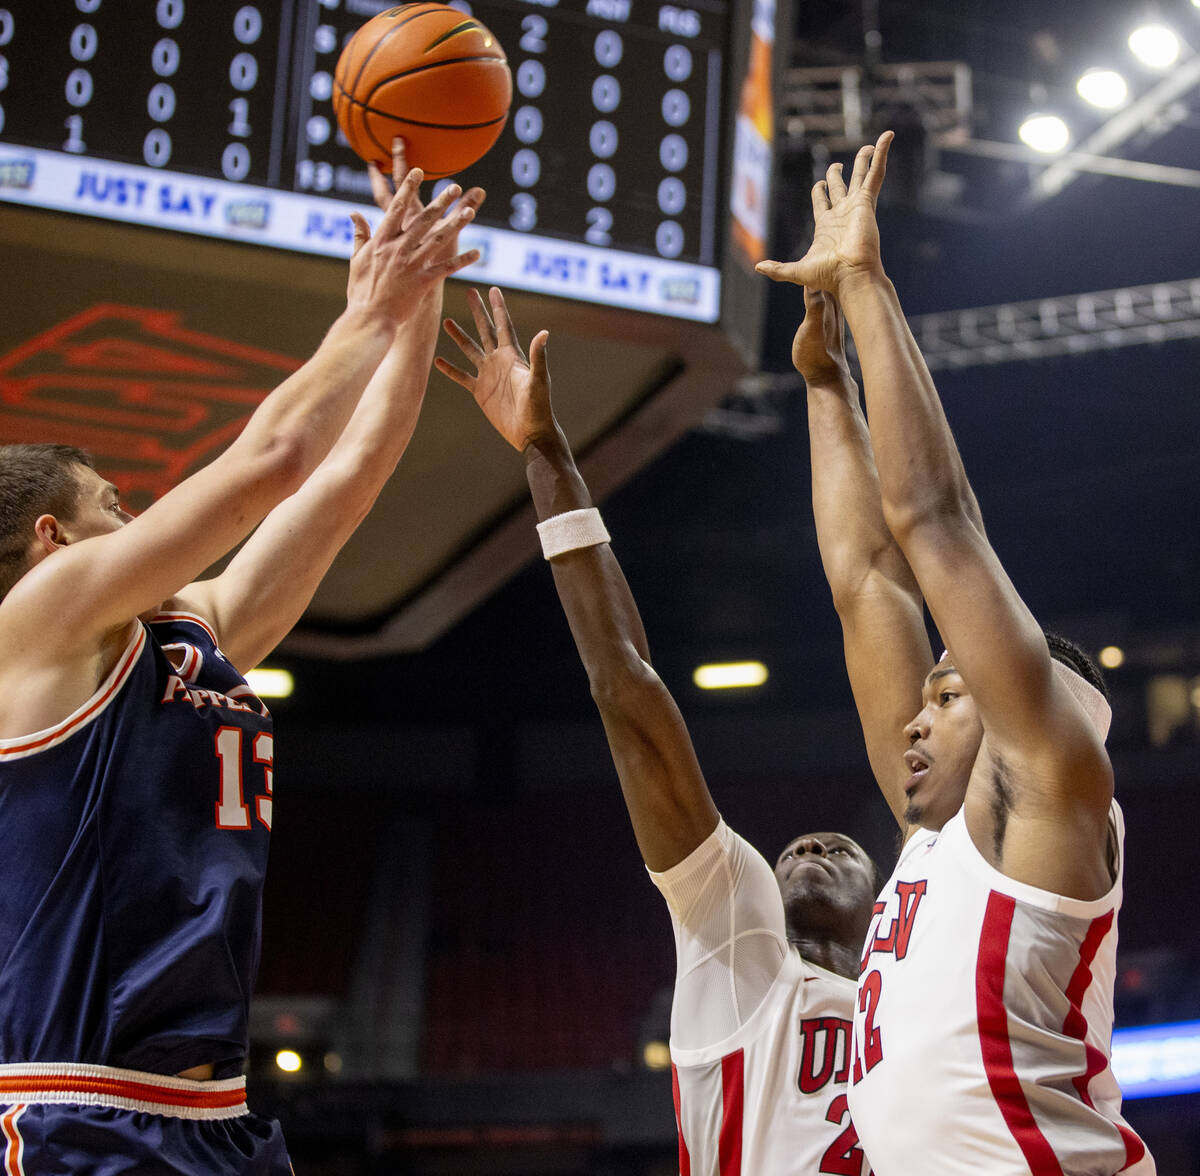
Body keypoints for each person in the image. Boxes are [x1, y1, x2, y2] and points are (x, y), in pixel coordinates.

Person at [0, 149, 483, 1173]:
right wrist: (367, 309)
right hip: (72, 1107)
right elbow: (274, 461)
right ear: (51, 537)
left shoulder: (193, 629)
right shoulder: (37, 621)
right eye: (112, 508)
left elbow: (347, 479)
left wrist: (417, 298)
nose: (133, 519)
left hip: (213, 1111)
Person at [759, 133, 1154, 1173]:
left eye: (949, 690)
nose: (916, 721)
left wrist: (868, 286)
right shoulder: (937, 838)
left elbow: (934, 522)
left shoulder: (1056, 789)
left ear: (1031, 708)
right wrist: (824, 388)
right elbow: (866, 585)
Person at [436, 285, 880, 1175]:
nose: (818, 843)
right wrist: (548, 458)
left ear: (888, 903)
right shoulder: (738, 932)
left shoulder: (908, 1002)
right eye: (797, 845)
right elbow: (628, 692)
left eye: (838, 847)